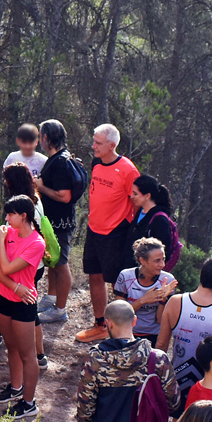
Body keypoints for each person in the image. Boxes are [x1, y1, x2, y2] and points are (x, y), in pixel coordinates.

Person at [76, 124, 140, 343]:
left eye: (98, 143)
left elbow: (136, 200)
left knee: (117, 283)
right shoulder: (96, 163)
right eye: (94, 141)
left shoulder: (127, 169)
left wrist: (130, 228)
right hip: (94, 229)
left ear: (112, 145)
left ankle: (121, 330)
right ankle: (101, 324)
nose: (93, 146)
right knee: (94, 275)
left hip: (114, 233)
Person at [0, 195, 46, 420]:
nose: (6, 218)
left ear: (23, 216)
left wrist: (1, 242)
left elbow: (7, 266)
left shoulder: (36, 243)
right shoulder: (8, 233)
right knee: (10, 347)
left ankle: (29, 402)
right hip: (5, 297)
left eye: (10, 214)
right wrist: (15, 287)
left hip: (24, 304)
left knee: (27, 354)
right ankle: (16, 388)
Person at [158, 254, 212, 396]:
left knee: (177, 418)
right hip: (211, 386)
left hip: (178, 380)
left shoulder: (175, 302)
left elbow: (161, 345)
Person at [35, 119, 77, 324]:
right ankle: (51, 298)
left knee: (61, 264)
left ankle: (60, 309)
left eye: (41, 136)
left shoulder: (60, 162)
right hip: (54, 222)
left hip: (61, 223)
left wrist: (40, 187)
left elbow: (64, 196)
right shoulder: (58, 158)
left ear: (46, 138)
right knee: (52, 259)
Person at [114, 237, 177, 341]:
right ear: (142, 260)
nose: (162, 265)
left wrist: (163, 300)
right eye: (157, 261)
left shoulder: (167, 280)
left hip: (154, 335)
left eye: (163, 259)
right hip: (128, 332)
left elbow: (160, 320)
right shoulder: (126, 276)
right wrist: (143, 300)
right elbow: (119, 316)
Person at [128, 175, 175, 262]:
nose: (131, 196)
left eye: (135, 194)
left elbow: (162, 253)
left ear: (147, 196)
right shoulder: (140, 212)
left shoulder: (160, 220)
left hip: (146, 272)